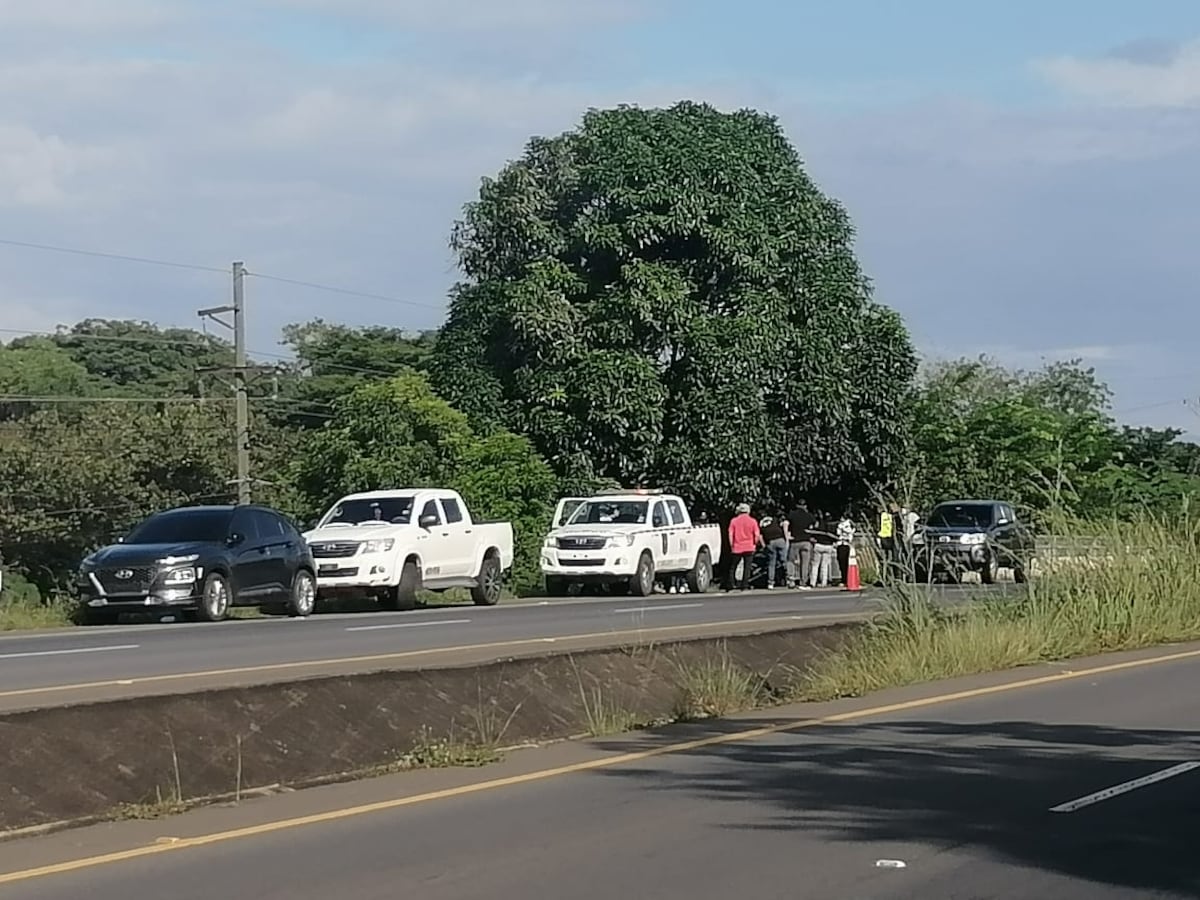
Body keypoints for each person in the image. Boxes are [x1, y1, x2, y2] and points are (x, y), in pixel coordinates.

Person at [726, 502, 762, 591]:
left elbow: (730, 534)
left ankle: (731, 584)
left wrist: (732, 545)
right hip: (749, 546)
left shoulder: (734, 521)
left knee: (733, 567)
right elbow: (757, 535)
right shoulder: (753, 521)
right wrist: (755, 543)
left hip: (737, 547)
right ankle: (745, 585)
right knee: (747, 567)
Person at [786, 500, 816, 589]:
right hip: (806, 541)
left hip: (795, 541)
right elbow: (814, 525)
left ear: (797, 505)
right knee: (805, 563)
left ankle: (791, 580)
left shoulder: (792, 515)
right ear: (805, 506)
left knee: (791, 561)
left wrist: (788, 535)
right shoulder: (809, 516)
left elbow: (786, 524)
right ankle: (803, 581)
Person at [760, 513, 788, 589]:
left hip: (770, 542)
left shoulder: (761, 523)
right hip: (780, 539)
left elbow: (760, 536)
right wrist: (786, 539)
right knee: (784, 560)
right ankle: (789, 579)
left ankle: (770, 583)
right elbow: (783, 527)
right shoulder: (774, 519)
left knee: (771, 563)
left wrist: (764, 546)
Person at [809, 513, 837, 588]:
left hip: (819, 545)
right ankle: (824, 582)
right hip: (828, 546)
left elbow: (813, 534)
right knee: (824, 565)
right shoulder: (832, 526)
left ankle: (813, 582)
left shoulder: (819, 525)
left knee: (815, 565)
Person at [835, 511, 854, 585]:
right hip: (840, 544)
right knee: (840, 561)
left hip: (846, 544)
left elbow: (849, 532)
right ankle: (843, 578)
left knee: (845, 562)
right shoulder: (840, 524)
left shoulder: (848, 524)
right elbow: (838, 533)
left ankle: (846, 579)